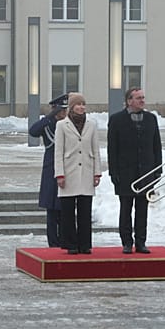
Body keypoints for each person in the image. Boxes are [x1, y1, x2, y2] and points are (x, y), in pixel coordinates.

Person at [107, 87, 162, 254]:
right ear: (129, 100)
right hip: (125, 173)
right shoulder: (117, 120)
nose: (142, 101)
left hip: (146, 173)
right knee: (125, 209)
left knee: (142, 209)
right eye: (138, 98)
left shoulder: (151, 119)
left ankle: (141, 242)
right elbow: (112, 149)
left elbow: (156, 146)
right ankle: (126, 242)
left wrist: (158, 170)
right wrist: (113, 172)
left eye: (143, 97)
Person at [54, 93, 101, 254]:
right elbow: (58, 151)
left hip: (87, 171)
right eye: (78, 104)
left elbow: (96, 149)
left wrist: (97, 172)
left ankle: (85, 244)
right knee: (67, 211)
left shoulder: (92, 124)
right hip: (69, 171)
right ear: (71, 107)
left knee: (85, 210)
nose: (81, 107)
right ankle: (71, 244)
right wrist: (59, 174)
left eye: (83, 104)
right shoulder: (62, 125)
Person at [29, 93, 68, 247]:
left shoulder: (68, 124)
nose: (64, 113)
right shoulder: (48, 124)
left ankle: (66, 241)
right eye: (61, 110)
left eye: (65, 110)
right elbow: (33, 131)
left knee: (65, 209)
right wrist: (49, 116)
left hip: (67, 168)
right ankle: (53, 243)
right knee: (51, 210)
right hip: (51, 169)